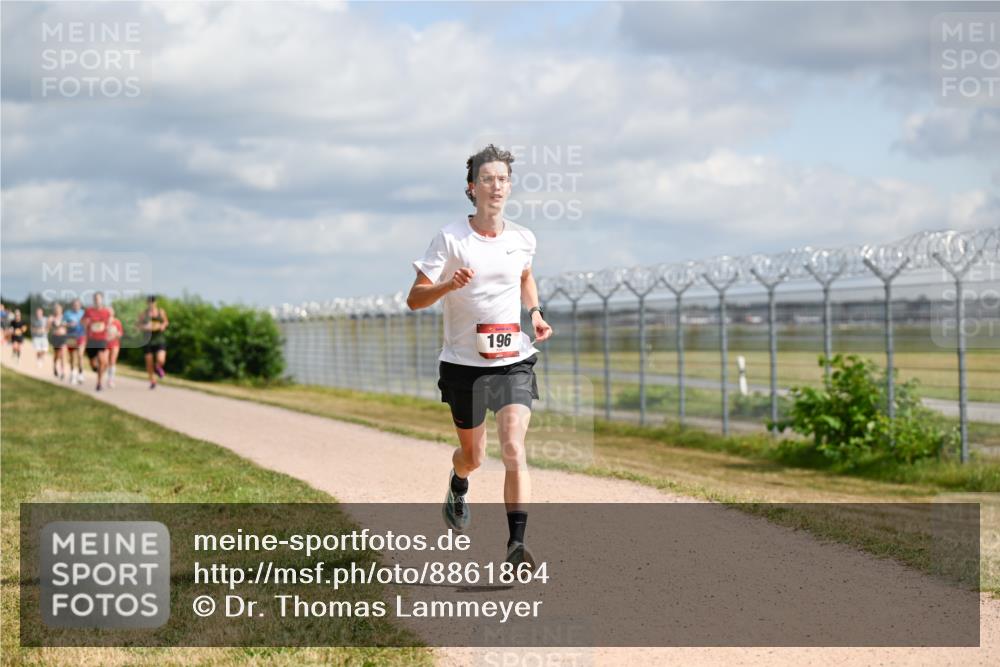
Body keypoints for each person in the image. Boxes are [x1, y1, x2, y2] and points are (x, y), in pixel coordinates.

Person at [406, 144, 553, 568]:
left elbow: (524, 275)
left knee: (513, 448)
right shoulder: (451, 238)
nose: (496, 186)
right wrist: (448, 285)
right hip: (462, 365)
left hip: (513, 359)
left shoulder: (523, 238)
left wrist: (536, 313)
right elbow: (414, 299)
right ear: (472, 188)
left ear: (510, 186)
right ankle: (458, 481)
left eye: (502, 179)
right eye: (487, 179)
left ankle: (516, 546)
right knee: (474, 456)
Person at [81, 292, 112, 391]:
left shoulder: (106, 312)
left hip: (102, 339)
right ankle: (95, 368)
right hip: (91, 340)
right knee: (93, 364)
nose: (97, 300)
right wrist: (85, 323)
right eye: (95, 299)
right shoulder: (89, 311)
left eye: (98, 299)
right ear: (93, 300)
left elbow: (109, 324)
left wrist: (109, 330)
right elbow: (82, 322)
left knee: (102, 361)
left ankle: (99, 383)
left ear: (102, 300)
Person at [138, 295, 168, 389]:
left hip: (159, 339)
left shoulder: (161, 312)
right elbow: (138, 325)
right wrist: (145, 327)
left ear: (156, 303)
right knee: (149, 362)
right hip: (148, 341)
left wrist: (163, 326)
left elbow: (166, 322)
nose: (152, 304)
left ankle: (158, 367)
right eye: (150, 302)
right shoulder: (144, 314)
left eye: (153, 302)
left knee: (161, 360)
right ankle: (152, 381)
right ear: (147, 303)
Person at [63, 298, 86, 384]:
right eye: (74, 305)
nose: (76, 306)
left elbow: (87, 323)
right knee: (72, 357)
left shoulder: (83, 313)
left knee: (80, 355)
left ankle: (81, 373)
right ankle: (73, 374)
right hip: (70, 337)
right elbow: (63, 323)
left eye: (77, 305)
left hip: (81, 336)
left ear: (80, 305)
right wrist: (69, 324)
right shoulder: (67, 313)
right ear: (72, 305)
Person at [48, 303, 68, 380]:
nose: (58, 311)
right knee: (56, 355)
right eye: (56, 309)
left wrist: (63, 325)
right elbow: (48, 327)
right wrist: (52, 323)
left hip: (63, 337)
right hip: (55, 337)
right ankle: (55, 366)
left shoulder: (64, 317)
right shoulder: (52, 318)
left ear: (61, 310)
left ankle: (63, 372)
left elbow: (67, 326)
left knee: (63, 354)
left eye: (59, 309)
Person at [106, 305, 123, 388]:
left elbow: (120, 334)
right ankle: (105, 376)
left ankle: (111, 379)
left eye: (110, 311)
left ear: (113, 312)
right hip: (105, 344)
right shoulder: (103, 322)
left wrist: (114, 334)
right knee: (105, 361)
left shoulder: (117, 322)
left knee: (112, 362)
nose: (109, 312)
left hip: (115, 344)